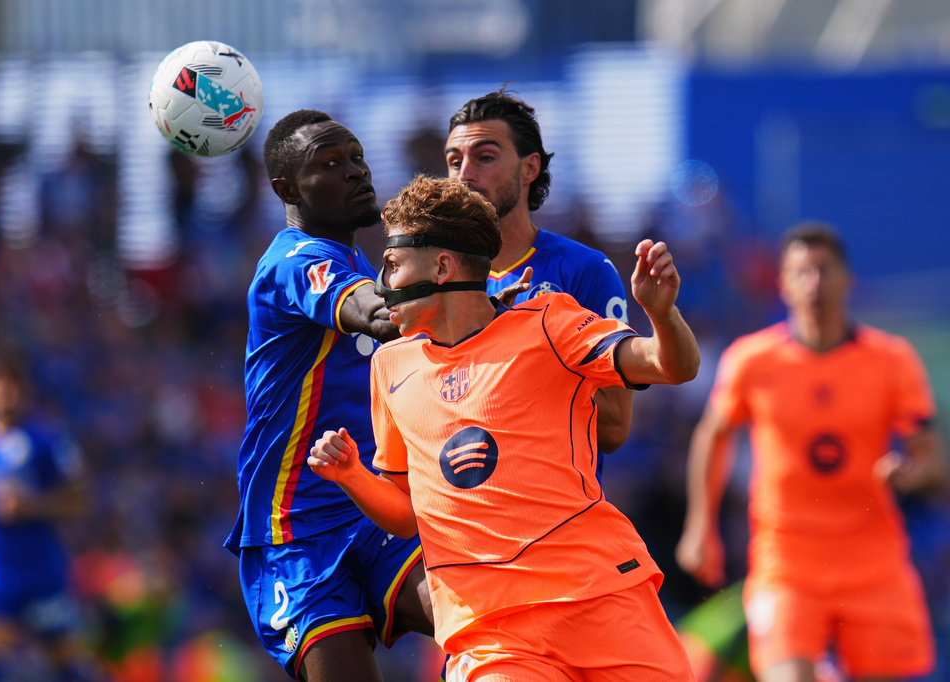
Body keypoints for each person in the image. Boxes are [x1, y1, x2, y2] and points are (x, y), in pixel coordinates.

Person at [309, 175, 701, 680]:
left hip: (601, 595)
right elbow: (406, 515)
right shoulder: (389, 366)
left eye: (391, 264)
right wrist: (352, 476)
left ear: (442, 267)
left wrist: (661, 315)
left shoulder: (547, 323)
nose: (380, 285)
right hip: (489, 631)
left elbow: (671, 366)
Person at [223, 109, 441, 682]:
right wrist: (475, 293)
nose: (354, 172)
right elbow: (373, 314)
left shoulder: (356, 261)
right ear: (286, 189)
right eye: (329, 163)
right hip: (294, 533)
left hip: (373, 510)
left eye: (356, 158)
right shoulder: (293, 263)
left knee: (485, 620)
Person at [675, 222, 947, 682]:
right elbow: (712, 434)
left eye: (824, 270)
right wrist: (700, 525)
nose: (814, 283)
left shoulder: (892, 360)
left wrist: (911, 472)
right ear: (782, 284)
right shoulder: (753, 359)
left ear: (847, 279)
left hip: (873, 559)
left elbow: (932, 458)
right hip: (788, 559)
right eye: (801, 272)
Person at [445, 85, 633, 462]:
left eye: (484, 157)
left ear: (530, 167)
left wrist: (521, 357)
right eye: (453, 161)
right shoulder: (427, 276)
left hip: (554, 514)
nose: (464, 174)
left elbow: (613, 427)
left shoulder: (584, 270)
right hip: (455, 515)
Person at [0, 350, 94, 682]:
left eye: (12, 385)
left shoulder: (48, 440)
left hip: (41, 570)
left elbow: (80, 501)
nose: (4, 393)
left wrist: (32, 507)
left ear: (25, 392)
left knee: (69, 668)